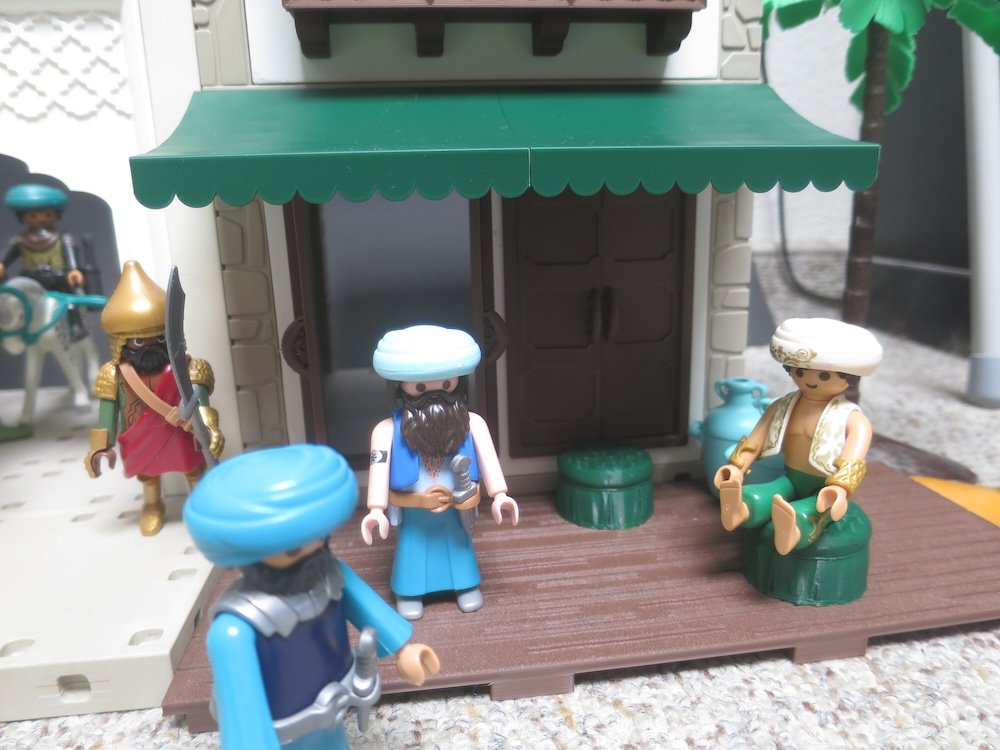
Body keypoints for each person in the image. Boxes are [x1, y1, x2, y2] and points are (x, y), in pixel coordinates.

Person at [184, 444, 440, 750]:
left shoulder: (329, 575)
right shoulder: (235, 629)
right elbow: (243, 718)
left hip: (335, 705)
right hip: (282, 733)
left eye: (319, 537)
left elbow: (367, 608)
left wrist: (405, 649)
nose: (312, 550)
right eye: (293, 547)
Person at [362, 325, 519, 620]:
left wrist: (500, 495)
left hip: (456, 506)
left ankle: (465, 586)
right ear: (400, 386)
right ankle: (410, 592)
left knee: (459, 546)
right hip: (413, 510)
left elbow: (488, 460)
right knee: (413, 548)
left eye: (446, 384)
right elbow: (378, 466)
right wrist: (376, 510)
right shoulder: (386, 431)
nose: (434, 395)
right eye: (420, 388)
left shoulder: (472, 423)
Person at [713, 317, 883, 555]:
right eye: (801, 371)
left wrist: (840, 487)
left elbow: (853, 460)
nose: (810, 379)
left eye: (824, 376)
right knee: (764, 492)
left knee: (812, 510)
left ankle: (794, 529)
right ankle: (742, 509)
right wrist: (737, 467)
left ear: (850, 378)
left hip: (824, 486)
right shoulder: (782, 406)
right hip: (791, 477)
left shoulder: (853, 419)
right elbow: (754, 440)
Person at [84, 260, 223, 535]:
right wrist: (100, 446)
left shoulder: (190, 367)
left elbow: (201, 403)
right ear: (121, 343)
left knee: (193, 468)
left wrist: (210, 428)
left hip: (181, 431)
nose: (149, 346)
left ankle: (202, 506)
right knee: (148, 474)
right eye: (138, 342)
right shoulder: (114, 374)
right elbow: (107, 414)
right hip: (140, 434)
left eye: (158, 340)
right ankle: (152, 505)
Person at [2, 183, 88, 340]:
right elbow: (4, 260)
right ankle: (14, 325)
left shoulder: (63, 238)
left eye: (47, 214)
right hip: (29, 278)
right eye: (33, 215)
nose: (40, 219)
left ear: (55, 215)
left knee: (68, 297)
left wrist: (73, 271)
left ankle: (75, 323)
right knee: (14, 297)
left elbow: (71, 259)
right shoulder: (19, 241)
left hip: (57, 277)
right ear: (23, 217)